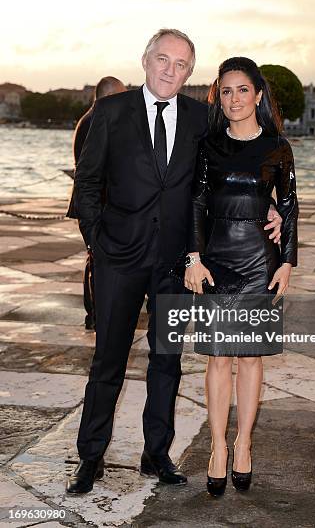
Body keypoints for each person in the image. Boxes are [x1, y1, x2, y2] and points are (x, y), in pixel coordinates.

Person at [66, 30, 282, 495]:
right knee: (109, 360)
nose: (169, 70)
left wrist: (268, 204)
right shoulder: (109, 113)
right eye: (162, 59)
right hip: (118, 260)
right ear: (146, 60)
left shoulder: (200, 118)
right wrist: (97, 242)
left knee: (167, 361)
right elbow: (85, 186)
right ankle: (90, 456)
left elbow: (226, 171)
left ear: (189, 72)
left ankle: (156, 454)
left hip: (175, 264)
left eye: (180, 64)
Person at [184, 57, 299, 496]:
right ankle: (216, 448)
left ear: (258, 95)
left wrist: (287, 260)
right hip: (215, 259)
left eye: (242, 90)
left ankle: (244, 442)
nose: (234, 99)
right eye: (226, 91)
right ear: (220, 96)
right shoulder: (208, 145)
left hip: (259, 262)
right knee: (218, 358)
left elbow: (288, 206)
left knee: (251, 358)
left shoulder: (277, 147)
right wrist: (193, 258)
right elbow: (195, 203)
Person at [66, 77, 127, 330]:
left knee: (96, 260)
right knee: (99, 262)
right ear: (109, 96)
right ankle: (97, 315)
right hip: (97, 206)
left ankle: (95, 313)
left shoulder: (89, 119)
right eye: (122, 96)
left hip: (94, 204)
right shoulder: (96, 121)